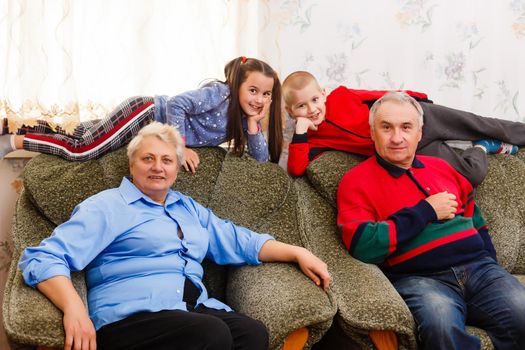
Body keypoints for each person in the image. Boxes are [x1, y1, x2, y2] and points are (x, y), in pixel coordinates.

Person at [19, 122, 330, 350]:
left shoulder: (188, 208)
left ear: (177, 168)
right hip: (129, 318)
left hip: (189, 312)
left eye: (167, 160)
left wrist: (297, 252)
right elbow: (43, 257)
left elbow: (238, 240)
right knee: (212, 334)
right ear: (132, 164)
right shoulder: (107, 206)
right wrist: (74, 308)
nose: (158, 167)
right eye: (148, 158)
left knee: (251, 333)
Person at [336, 91, 525, 349]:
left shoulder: (441, 167)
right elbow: (363, 245)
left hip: (480, 269)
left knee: (521, 313)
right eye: (386, 127)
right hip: (421, 279)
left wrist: (491, 266)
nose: (397, 138)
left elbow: (476, 221)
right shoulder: (355, 182)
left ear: (420, 132)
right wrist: (425, 211)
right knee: (440, 325)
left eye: (406, 127)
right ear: (372, 133)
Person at [0, 56, 283, 173]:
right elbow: (177, 105)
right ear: (237, 85)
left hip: (146, 124)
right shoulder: (221, 93)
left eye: (266, 94)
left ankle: (20, 125)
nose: (259, 99)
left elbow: (260, 162)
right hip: (146, 113)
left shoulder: (244, 120)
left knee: (82, 134)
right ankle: (13, 141)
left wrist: (253, 123)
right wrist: (179, 145)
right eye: (253, 90)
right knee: (83, 150)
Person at [282, 71, 525, 186]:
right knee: (470, 176)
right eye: (301, 106)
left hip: (422, 117)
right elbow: (296, 169)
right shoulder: (313, 142)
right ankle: (482, 148)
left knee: (479, 124)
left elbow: (379, 96)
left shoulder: (341, 96)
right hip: (407, 149)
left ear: (323, 94)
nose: (312, 109)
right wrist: (301, 132)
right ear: (291, 111)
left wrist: (416, 99)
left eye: (314, 100)